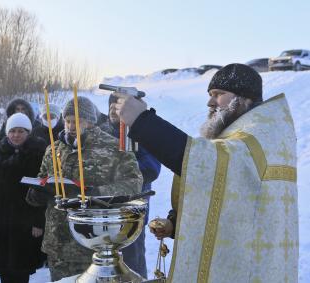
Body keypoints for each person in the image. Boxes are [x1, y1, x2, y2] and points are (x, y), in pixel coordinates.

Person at [114, 63, 298, 282]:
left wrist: (143, 121)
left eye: (219, 94)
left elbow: (205, 164)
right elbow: (228, 197)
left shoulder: (257, 137)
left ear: (245, 98)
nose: (210, 102)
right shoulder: (242, 135)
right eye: (210, 94)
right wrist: (175, 223)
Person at [26, 96, 143, 281]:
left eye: (77, 121)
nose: (71, 126)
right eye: (68, 121)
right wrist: (37, 194)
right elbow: (43, 178)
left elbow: (134, 182)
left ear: (89, 122)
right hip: (58, 244)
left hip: (94, 243)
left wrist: (96, 193)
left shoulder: (113, 147)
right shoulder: (53, 149)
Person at [0, 113, 47, 283]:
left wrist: (39, 222)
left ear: (28, 132)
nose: (16, 135)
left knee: (21, 270)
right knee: (5, 270)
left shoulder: (38, 153)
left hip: (26, 223)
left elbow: (43, 190)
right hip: (0, 222)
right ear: (7, 132)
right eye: (13, 131)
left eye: (21, 131)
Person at [100, 94, 161, 278]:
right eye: (111, 105)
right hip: (104, 209)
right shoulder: (99, 133)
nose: (113, 109)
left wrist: (121, 174)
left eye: (118, 105)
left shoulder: (142, 133)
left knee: (132, 262)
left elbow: (152, 168)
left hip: (131, 211)